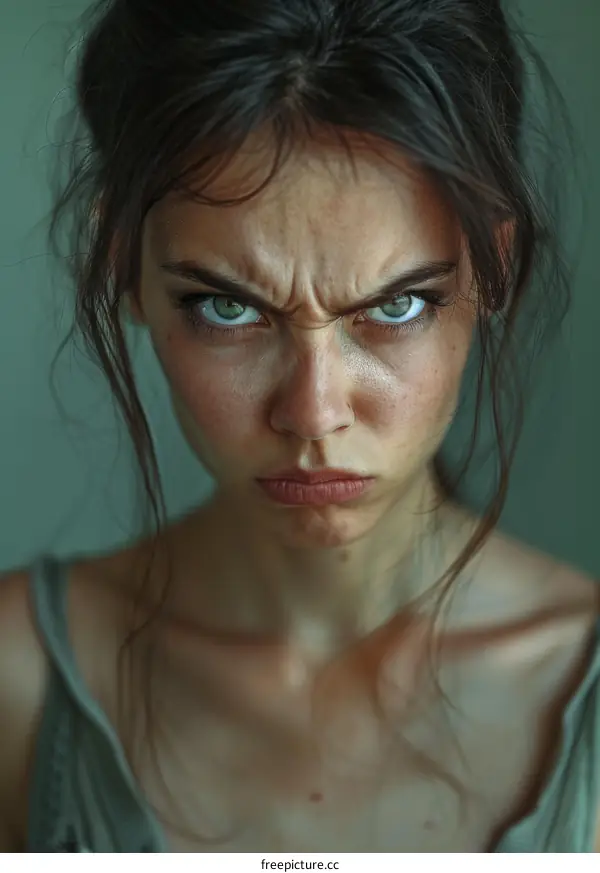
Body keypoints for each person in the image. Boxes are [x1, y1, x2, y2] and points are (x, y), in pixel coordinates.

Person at [0, 0, 598, 854]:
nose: (314, 411)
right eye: (227, 308)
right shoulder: (17, 683)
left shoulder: (579, 685)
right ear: (123, 265)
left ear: (495, 267)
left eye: (397, 305)